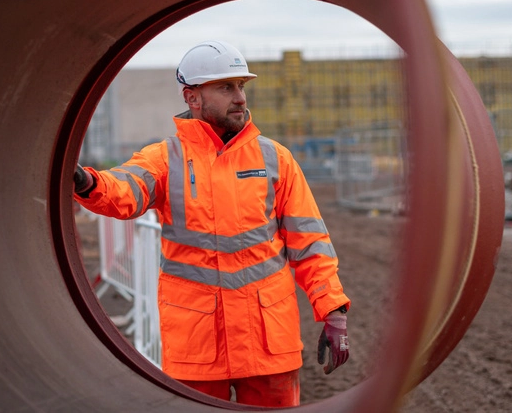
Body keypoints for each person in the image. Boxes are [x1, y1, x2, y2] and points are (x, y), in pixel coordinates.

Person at [73, 40, 350, 407]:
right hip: (197, 347)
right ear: (192, 98)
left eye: (241, 87)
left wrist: (333, 311)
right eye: (226, 87)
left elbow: (311, 242)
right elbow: (124, 189)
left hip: (268, 343)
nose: (240, 98)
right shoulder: (165, 158)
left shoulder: (275, 158)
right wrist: (87, 182)